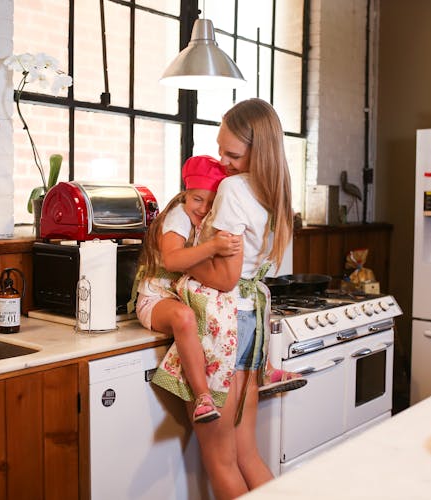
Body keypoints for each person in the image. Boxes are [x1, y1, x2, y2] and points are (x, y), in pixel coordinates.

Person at [180, 98, 295, 498]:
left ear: (258, 151)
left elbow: (226, 279)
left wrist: (179, 263)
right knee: (247, 454)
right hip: (250, 324)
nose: (223, 162)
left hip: (224, 325)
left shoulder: (232, 189)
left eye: (233, 154)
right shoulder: (276, 191)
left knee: (220, 459)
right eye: (220, 150)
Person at [135, 155, 242, 423]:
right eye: (197, 199)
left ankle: (260, 370)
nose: (203, 208)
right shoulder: (177, 217)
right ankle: (203, 397)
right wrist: (214, 247)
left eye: (210, 202)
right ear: (185, 195)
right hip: (155, 301)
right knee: (185, 317)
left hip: (178, 296)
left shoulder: (205, 221)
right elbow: (172, 259)